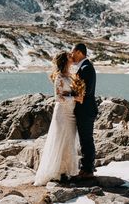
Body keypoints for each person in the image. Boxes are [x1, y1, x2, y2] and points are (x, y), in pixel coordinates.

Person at [34, 51, 82, 186]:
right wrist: (74, 97)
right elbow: (58, 97)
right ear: (64, 61)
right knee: (60, 139)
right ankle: (57, 172)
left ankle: (67, 171)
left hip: (71, 112)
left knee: (69, 140)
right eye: (69, 57)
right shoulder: (59, 77)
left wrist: (77, 94)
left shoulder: (71, 76)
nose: (72, 58)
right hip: (62, 113)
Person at [71, 43, 98, 178]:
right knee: (85, 139)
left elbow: (84, 93)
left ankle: (88, 170)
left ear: (79, 52)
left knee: (86, 139)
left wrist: (70, 96)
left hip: (86, 110)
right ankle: (86, 168)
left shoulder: (86, 68)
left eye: (73, 52)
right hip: (85, 110)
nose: (71, 55)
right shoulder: (84, 66)